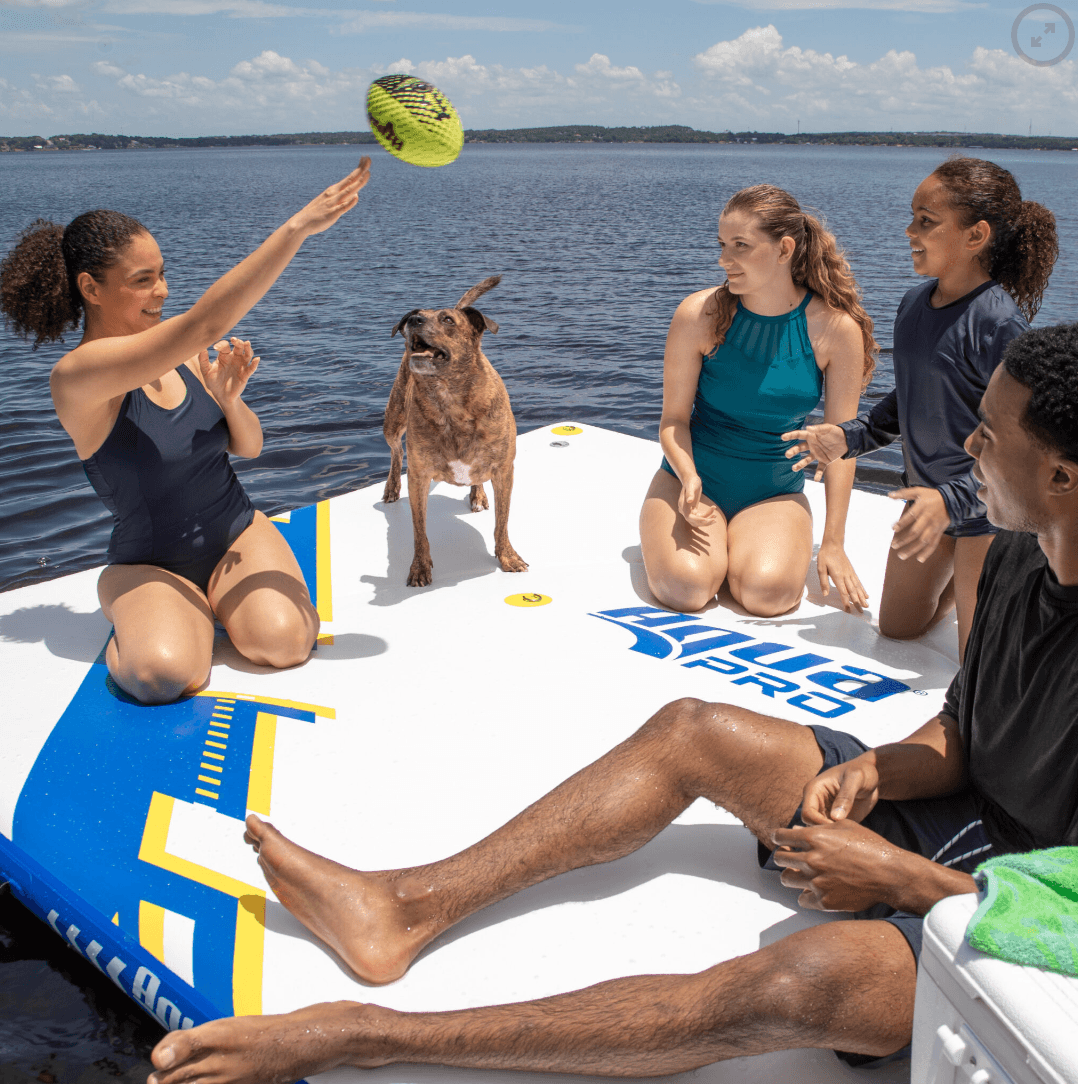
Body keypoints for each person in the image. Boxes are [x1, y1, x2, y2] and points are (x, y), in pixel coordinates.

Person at [146, 322, 1078, 1084]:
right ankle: (407, 905)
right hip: (962, 826)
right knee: (692, 731)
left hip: (1027, 917)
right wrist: (876, 767)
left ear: (1064, 476)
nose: (966, 446)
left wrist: (908, 885)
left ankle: (366, 1033)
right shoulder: (1009, 562)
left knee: (801, 982)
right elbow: (963, 730)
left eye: (991, 435)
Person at [0, 159, 371, 704]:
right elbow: (206, 321)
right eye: (142, 281)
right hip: (150, 560)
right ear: (91, 288)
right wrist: (296, 230)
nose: (163, 291)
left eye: (162, 273)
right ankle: (152, 609)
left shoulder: (188, 357)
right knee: (163, 677)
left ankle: (211, 603)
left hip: (237, 534)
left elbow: (250, 448)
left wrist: (229, 401)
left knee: (287, 645)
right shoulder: (78, 378)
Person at [784, 157, 1057, 659]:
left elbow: (1021, 447)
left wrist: (951, 501)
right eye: (913, 217)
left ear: (976, 236)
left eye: (925, 221)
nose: (909, 230)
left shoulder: (998, 323)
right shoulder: (912, 306)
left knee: (975, 661)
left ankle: (998, 577)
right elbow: (910, 398)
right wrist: (851, 435)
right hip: (926, 502)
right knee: (897, 629)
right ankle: (962, 578)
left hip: (988, 509)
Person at [639, 184, 875, 617]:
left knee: (770, 595)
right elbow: (673, 419)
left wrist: (835, 543)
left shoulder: (835, 330)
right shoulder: (698, 314)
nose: (724, 260)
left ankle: (740, 553)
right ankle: (711, 556)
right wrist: (688, 475)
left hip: (772, 492)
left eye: (740, 247)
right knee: (686, 588)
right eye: (722, 245)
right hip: (690, 482)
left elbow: (842, 446)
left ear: (784, 249)